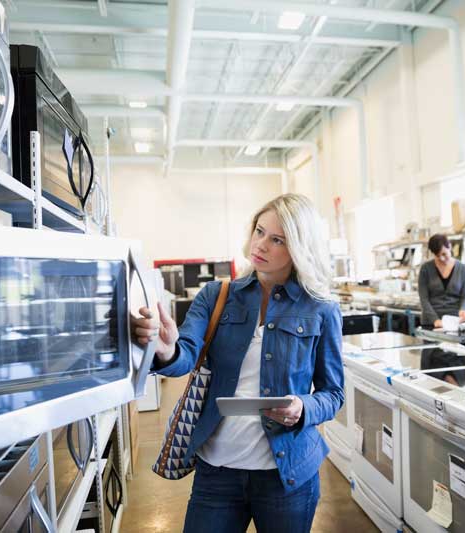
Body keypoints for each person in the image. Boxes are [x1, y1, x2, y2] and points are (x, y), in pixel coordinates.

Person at [132, 193, 343, 533]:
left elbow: (333, 393)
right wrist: (166, 349)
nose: (260, 244)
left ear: (299, 249)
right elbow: (184, 355)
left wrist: (302, 407)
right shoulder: (216, 295)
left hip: (287, 478)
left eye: (277, 240)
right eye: (259, 231)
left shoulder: (321, 309)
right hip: (217, 473)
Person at [417, 234, 465, 328]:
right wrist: (435, 320)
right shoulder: (426, 269)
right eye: (437, 256)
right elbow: (424, 299)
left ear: (450, 246)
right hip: (431, 322)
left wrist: (463, 309)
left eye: (444, 254)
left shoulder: (461, 268)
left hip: (454, 321)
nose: (442, 258)